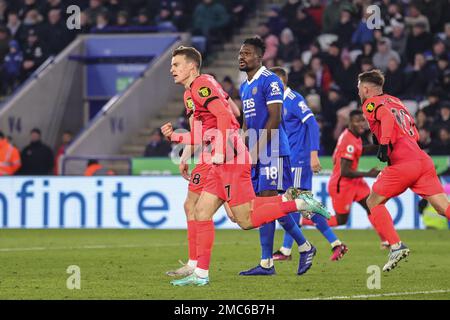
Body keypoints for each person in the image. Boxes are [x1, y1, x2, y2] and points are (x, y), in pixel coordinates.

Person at [161, 46, 329, 286]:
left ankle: (299, 202)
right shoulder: (193, 91)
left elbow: (225, 116)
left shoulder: (201, 85)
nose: (172, 69)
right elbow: (204, 132)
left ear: (191, 66)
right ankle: (200, 274)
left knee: (245, 220)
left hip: (229, 157)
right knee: (201, 212)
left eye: (176, 65)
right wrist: (175, 137)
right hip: (221, 159)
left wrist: (219, 151)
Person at [237, 39, 318, 276]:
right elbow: (247, 121)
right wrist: (243, 144)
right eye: (240, 53)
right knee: (265, 206)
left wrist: (256, 149)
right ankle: (268, 262)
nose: (242, 57)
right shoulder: (244, 86)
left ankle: (303, 247)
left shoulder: (270, 80)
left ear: (260, 57)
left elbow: (275, 118)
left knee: (270, 203)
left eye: (247, 53)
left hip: (273, 150)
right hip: (257, 151)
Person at [358, 69, 450, 272]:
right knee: (444, 208)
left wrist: (384, 144)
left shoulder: (370, 103)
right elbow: (412, 129)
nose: (359, 93)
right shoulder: (396, 101)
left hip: (403, 163)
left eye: (359, 89)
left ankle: (396, 246)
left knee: (373, 202)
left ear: (366, 89)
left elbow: (388, 119)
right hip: (422, 160)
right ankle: (395, 245)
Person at [166, 66, 242, 278]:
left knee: (239, 216)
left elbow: (196, 129)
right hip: (219, 150)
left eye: (176, 65)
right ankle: (195, 264)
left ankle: (196, 266)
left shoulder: (192, 92)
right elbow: (235, 112)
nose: (173, 70)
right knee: (192, 206)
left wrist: (184, 156)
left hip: (215, 152)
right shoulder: (211, 83)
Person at [269, 67, 348, 262]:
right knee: (296, 205)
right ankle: (289, 250)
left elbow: (312, 123)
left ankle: (334, 243)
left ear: (280, 82)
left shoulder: (293, 99)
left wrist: (314, 155)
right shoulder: (278, 103)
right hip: (290, 159)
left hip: (299, 160)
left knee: (300, 204)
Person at [326, 110, 388, 248]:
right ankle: (305, 220)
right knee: (341, 220)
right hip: (341, 184)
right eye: (357, 121)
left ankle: (386, 241)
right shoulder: (348, 141)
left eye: (362, 120)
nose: (361, 124)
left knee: (372, 206)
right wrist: (369, 174)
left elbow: (357, 149)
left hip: (355, 182)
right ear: (350, 123)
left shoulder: (353, 136)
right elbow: (345, 171)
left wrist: (375, 146)